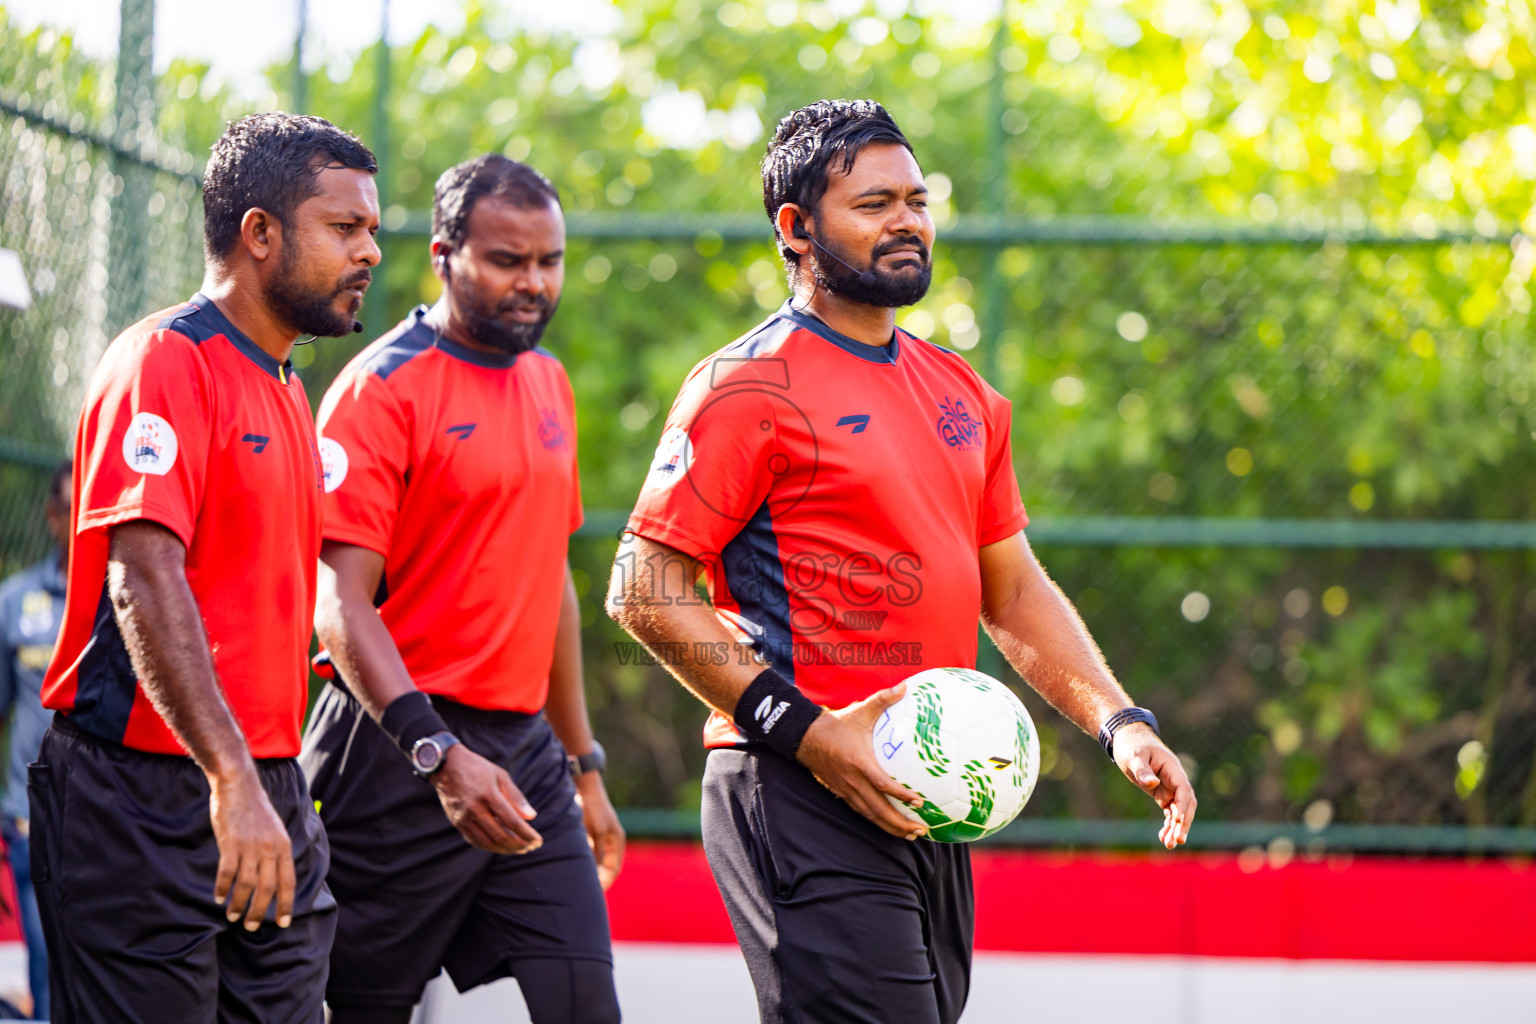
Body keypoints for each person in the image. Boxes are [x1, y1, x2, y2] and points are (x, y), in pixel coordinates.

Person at [607, 99, 1197, 1024]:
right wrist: (808, 732)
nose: (909, 222)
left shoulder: (963, 391)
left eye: (918, 200)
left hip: (930, 797)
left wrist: (1119, 721)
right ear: (797, 230)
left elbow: (1012, 590)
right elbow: (641, 588)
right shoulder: (745, 386)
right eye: (876, 204)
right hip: (796, 780)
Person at [34, 112, 380, 1023]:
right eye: (346, 229)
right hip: (140, 796)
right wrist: (230, 779)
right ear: (260, 234)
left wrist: (265, 786)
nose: (370, 252)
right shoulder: (164, 361)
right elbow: (142, 576)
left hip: (266, 789)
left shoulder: (288, 388)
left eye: (372, 230)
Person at [301, 153, 623, 1024]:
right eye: (507, 261)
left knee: (587, 1004)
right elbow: (339, 604)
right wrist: (435, 754)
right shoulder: (381, 388)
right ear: (444, 255)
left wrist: (583, 762)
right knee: (362, 1012)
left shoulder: (548, 381)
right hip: (394, 750)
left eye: (549, 262)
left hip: (525, 759)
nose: (534, 283)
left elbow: (547, 576)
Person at [0, 460, 71, 1019]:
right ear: (51, 515)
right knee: (33, 996)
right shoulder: (14, 603)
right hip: (25, 831)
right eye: (69, 510)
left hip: (102, 833)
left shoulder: (133, 601)